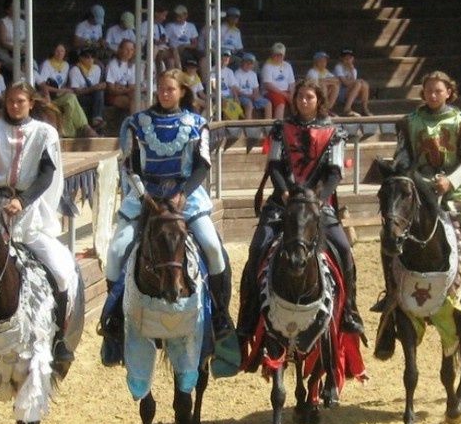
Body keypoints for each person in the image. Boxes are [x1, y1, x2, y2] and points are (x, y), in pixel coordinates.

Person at [372, 71, 461, 359]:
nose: (432, 95)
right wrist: (400, 171)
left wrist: (451, 181)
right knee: (391, 235)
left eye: (438, 90)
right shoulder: (410, 122)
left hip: (457, 191)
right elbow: (405, 157)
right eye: (428, 90)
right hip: (420, 189)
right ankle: (392, 293)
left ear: (449, 93)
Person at [102, 69, 234, 342]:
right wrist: (143, 197)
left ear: (182, 92)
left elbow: (202, 166)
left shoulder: (197, 124)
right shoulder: (137, 123)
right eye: (161, 88)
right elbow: (131, 165)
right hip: (144, 195)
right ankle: (115, 318)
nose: (164, 93)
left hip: (186, 194)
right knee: (116, 251)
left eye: (170, 89)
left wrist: (182, 193)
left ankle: (221, 314)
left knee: (211, 246)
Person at [238, 79, 366, 341]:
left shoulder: (334, 132)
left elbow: (334, 173)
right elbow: (274, 165)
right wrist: (284, 191)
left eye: (309, 97)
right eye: (300, 97)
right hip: (282, 202)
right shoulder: (281, 129)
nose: (304, 101)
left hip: (317, 205)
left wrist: (320, 200)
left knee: (343, 247)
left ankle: (350, 309)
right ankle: (249, 313)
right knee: (257, 246)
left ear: (320, 100)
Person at [0, 81, 76, 367]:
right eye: (10, 101)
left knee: (62, 273)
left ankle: (60, 338)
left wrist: (23, 201)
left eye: (20, 101)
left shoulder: (44, 133)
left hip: (30, 213)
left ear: (30, 103)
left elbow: (47, 174)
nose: (15, 106)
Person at [36, 42, 98, 138]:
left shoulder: (66, 65)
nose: (59, 53)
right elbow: (43, 86)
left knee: (70, 101)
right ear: (53, 52)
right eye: (57, 51)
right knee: (70, 98)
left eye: (62, 51)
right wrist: (62, 91)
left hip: (60, 94)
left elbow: (63, 84)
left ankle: (69, 133)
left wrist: (65, 89)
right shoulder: (46, 64)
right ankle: (85, 127)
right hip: (48, 95)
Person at [68, 48, 107, 132]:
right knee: (98, 94)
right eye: (87, 57)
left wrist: (102, 85)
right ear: (81, 58)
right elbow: (76, 91)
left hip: (93, 96)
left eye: (92, 57)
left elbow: (99, 85)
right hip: (79, 97)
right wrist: (93, 88)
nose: (90, 60)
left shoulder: (97, 68)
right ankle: (96, 121)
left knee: (100, 93)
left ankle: (97, 119)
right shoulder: (75, 70)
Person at [260, 42, 296, 119]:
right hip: (271, 92)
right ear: (272, 54)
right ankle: (278, 126)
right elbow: (268, 85)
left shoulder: (287, 65)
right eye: (276, 54)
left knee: (296, 100)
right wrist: (284, 94)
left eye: (280, 55)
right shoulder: (267, 66)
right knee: (280, 104)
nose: (278, 57)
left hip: (286, 91)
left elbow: (292, 83)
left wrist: (292, 94)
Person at [333, 48, 373, 116]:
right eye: (345, 58)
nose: (348, 60)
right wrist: (357, 81)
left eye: (350, 58)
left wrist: (351, 71)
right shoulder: (338, 67)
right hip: (339, 93)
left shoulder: (353, 70)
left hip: (351, 94)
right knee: (358, 83)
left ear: (353, 59)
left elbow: (354, 82)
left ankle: (364, 109)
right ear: (341, 59)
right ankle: (347, 109)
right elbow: (345, 82)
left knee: (364, 84)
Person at [104, 38, 137, 114]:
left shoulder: (132, 65)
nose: (129, 52)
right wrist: (126, 89)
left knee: (139, 100)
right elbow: (111, 90)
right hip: (113, 96)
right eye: (126, 49)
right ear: (120, 50)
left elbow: (132, 86)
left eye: (131, 50)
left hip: (126, 92)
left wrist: (123, 88)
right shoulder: (112, 64)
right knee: (133, 103)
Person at [235, 52, 271, 120]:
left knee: (268, 104)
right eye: (247, 62)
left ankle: (267, 126)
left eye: (251, 63)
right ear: (242, 62)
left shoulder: (253, 74)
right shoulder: (237, 73)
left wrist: (256, 96)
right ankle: (249, 126)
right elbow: (237, 91)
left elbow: (256, 88)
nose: (248, 65)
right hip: (243, 96)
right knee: (249, 105)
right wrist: (249, 96)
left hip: (252, 96)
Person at [164, 4, 200, 71]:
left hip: (187, 51)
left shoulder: (191, 26)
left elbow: (195, 44)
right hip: (173, 50)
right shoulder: (170, 26)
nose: (178, 19)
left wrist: (185, 46)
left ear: (186, 15)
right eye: (176, 16)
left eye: (180, 16)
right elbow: (165, 42)